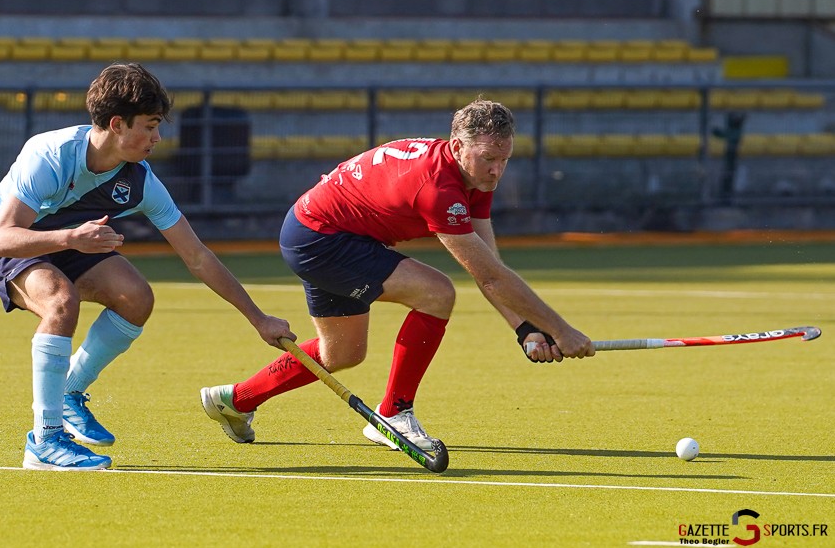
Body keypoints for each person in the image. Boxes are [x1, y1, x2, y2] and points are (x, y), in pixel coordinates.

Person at [200, 98, 594, 450]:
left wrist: (525, 327)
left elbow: (490, 265)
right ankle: (394, 412)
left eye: (504, 159)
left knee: (343, 353)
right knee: (437, 294)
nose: (496, 171)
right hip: (322, 238)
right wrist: (560, 330)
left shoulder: (472, 174)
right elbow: (491, 277)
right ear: (458, 146)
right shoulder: (438, 188)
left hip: (316, 230)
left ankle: (234, 400)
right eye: (489, 158)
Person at [0, 63, 295, 471]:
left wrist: (258, 318)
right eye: (150, 126)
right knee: (60, 302)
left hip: (72, 235)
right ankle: (45, 440)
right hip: (5, 236)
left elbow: (196, 256)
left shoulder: (140, 180)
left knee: (136, 298)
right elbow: (2, 239)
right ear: (117, 124)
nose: (158, 138)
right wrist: (71, 239)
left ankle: (70, 392)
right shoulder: (50, 155)